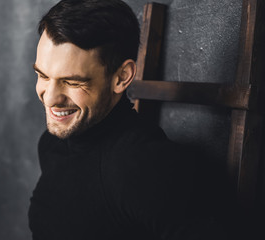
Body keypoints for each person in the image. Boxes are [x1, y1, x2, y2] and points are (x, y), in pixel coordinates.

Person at [28, 0, 226, 239]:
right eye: (43, 75)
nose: (50, 98)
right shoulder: (51, 143)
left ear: (122, 77)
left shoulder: (145, 168)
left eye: (72, 82)